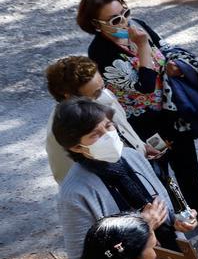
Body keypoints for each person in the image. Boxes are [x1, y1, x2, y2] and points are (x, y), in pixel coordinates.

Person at [77, 0, 198, 228]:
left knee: (188, 166)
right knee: (162, 176)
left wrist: (175, 65)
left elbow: (164, 50)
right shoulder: (100, 52)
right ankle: (177, 219)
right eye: (115, 20)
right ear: (96, 25)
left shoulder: (140, 26)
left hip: (171, 113)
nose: (125, 22)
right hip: (145, 126)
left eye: (125, 12)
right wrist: (141, 45)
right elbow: (145, 86)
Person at [53, 98, 195, 259]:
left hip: (178, 258)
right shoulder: (74, 194)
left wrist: (179, 219)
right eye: (95, 134)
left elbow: (166, 203)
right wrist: (140, 228)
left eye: (109, 126)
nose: (108, 135)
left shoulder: (132, 156)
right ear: (76, 147)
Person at [45, 56, 156, 184]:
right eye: (96, 94)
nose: (104, 95)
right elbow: (68, 179)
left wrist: (141, 147)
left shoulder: (104, 94)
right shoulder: (61, 131)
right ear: (69, 96)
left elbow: (123, 126)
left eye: (102, 87)